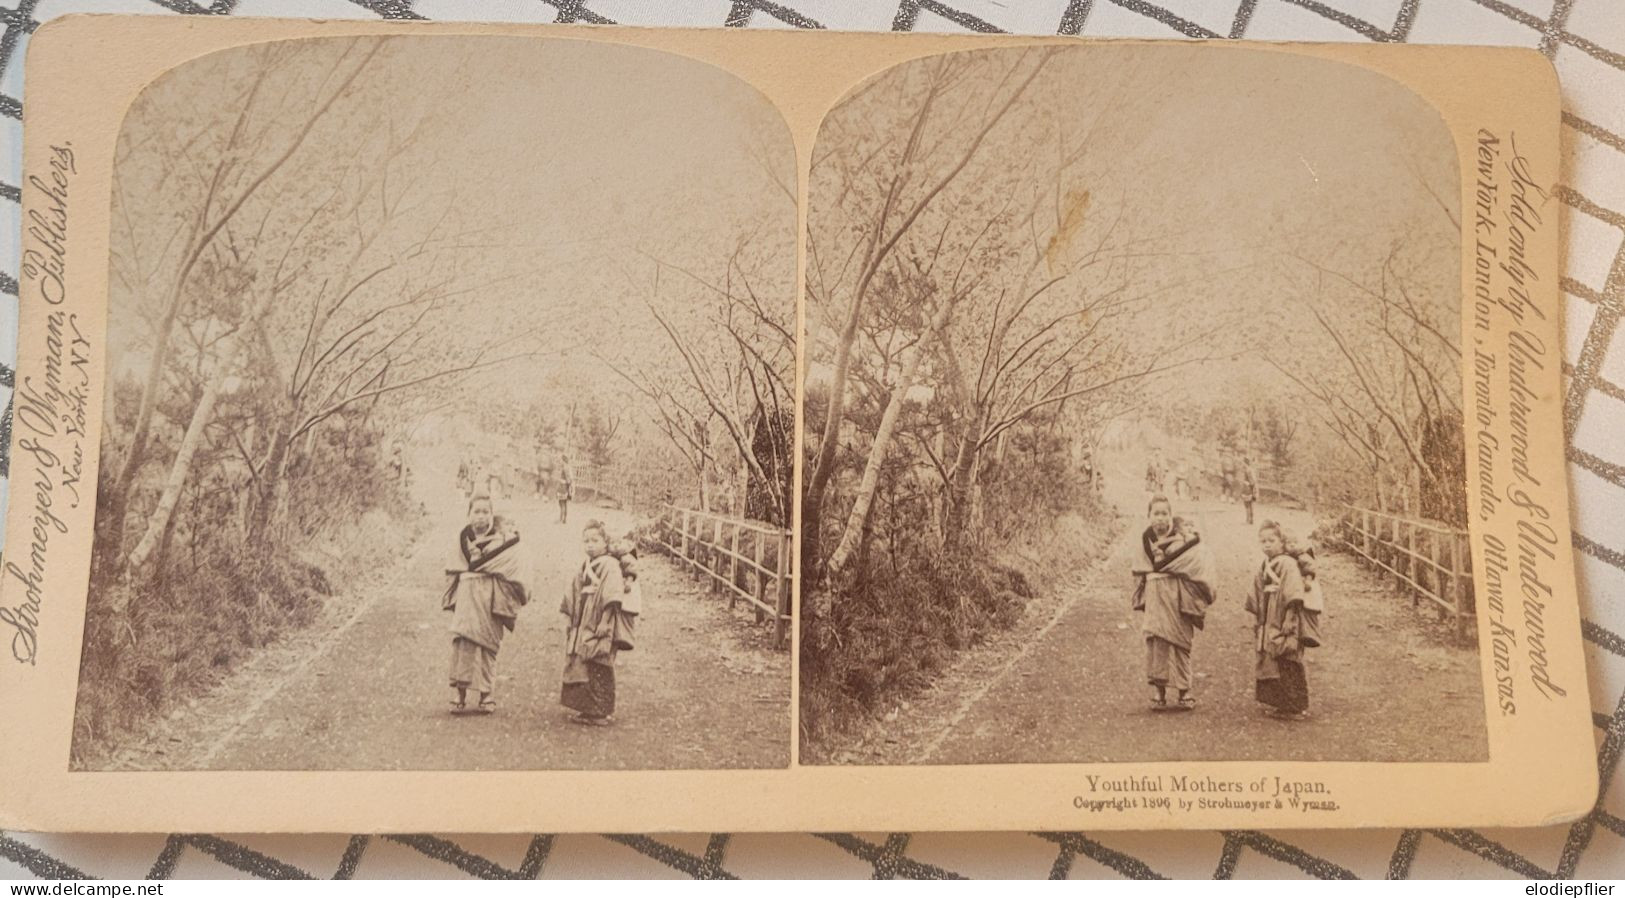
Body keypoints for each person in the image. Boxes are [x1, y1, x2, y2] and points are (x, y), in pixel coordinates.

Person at [443, 494, 529, 715]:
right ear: (468, 514)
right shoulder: (461, 541)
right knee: (462, 644)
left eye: (485, 512)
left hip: (490, 597)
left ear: (492, 515)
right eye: (476, 511)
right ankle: (459, 693)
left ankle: (486, 694)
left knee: (488, 647)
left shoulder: (503, 541)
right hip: (467, 596)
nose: (480, 517)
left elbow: (513, 569)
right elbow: (453, 569)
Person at [1130, 495, 1215, 712]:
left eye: (1164, 513)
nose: (1160, 518)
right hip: (1155, 596)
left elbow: (1196, 563)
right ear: (1149, 516)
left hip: (1177, 597)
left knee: (1181, 642)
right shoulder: (1144, 543)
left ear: (1171, 515)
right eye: (1156, 513)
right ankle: (1159, 691)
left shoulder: (1183, 542)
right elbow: (1140, 570)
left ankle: (1184, 690)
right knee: (1156, 642)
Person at [559, 520, 641, 726]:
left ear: (606, 542)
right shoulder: (586, 564)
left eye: (595, 540)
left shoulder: (610, 565)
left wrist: (605, 621)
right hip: (585, 615)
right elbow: (574, 590)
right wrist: (569, 615)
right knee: (584, 660)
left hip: (600, 616)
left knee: (599, 659)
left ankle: (600, 711)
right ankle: (589, 709)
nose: (590, 545)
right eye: (586, 541)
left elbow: (612, 594)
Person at [1246, 521, 1316, 720]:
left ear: (1282, 542)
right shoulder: (1266, 563)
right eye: (1263, 541)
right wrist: (1258, 616)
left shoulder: (1287, 563)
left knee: (1286, 652)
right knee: (1272, 654)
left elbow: (1293, 591)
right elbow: (1257, 590)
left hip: (1283, 612)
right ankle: (1281, 703)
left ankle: (1295, 705)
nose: (1267, 545)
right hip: (1269, 612)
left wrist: (1290, 617)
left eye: (1272, 540)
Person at [556, 455, 575, 524]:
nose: (560, 461)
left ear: (563, 460)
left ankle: (562, 519)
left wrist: (563, 482)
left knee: (562, 503)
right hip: (564, 487)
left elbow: (568, 480)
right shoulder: (567, 467)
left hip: (563, 487)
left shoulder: (565, 468)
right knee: (563, 503)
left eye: (560, 460)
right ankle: (563, 519)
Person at [1240, 456, 1259, 524]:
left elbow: (1252, 481)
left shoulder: (1248, 470)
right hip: (1251, 489)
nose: (1242, 464)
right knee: (1250, 505)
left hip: (1248, 489)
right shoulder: (1251, 469)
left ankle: (1248, 520)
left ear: (1245, 463)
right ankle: (1251, 520)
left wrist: (1247, 483)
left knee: (1247, 505)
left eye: (1243, 463)